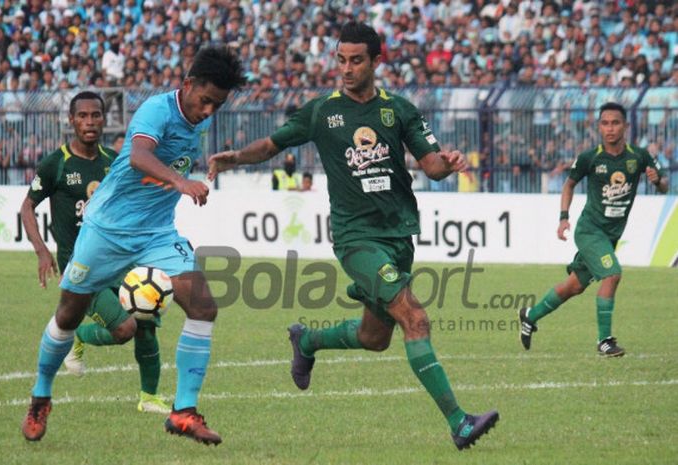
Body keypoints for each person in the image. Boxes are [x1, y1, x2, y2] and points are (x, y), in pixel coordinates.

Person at [209, 22, 498, 451]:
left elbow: (432, 166)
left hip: (398, 235)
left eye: (356, 60)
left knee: (374, 338)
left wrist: (449, 161)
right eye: (341, 59)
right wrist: (233, 157)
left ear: (376, 61)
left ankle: (306, 340)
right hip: (355, 239)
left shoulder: (398, 110)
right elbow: (272, 145)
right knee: (415, 319)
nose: (346, 68)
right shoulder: (322, 111)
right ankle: (458, 422)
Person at [21, 47, 246, 445]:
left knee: (203, 305)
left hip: (157, 233)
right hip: (106, 230)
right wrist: (180, 183)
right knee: (68, 314)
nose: (210, 110)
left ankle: (183, 412)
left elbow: (176, 158)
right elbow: (141, 155)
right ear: (188, 85)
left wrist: (213, 164)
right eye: (206, 100)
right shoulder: (156, 111)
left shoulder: (199, 121)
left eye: (218, 105)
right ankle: (41, 395)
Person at [21, 91, 170, 415]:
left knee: (146, 317)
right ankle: (78, 335)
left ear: (105, 120)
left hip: (117, 258)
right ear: (72, 120)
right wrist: (41, 251)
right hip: (81, 267)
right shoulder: (56, 163)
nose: (89, 122)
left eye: (96, 116)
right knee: (124, 330)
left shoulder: (112, 161)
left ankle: (149, 397)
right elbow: (27, 207)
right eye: (83, 116)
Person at [519, 102, 668, 356]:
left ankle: (530, 315)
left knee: (574, 286)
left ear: (626, 126)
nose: (610, 128)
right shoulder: (590, 157)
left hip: (610, 236)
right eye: (605, 123)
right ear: (599, 127)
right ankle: (604, 341)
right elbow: (568, 185)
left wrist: (658, 182)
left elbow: (664, 185)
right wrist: (563, 217)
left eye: (615, 123)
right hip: (589, 231)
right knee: (612, 274)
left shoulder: (639, 156)